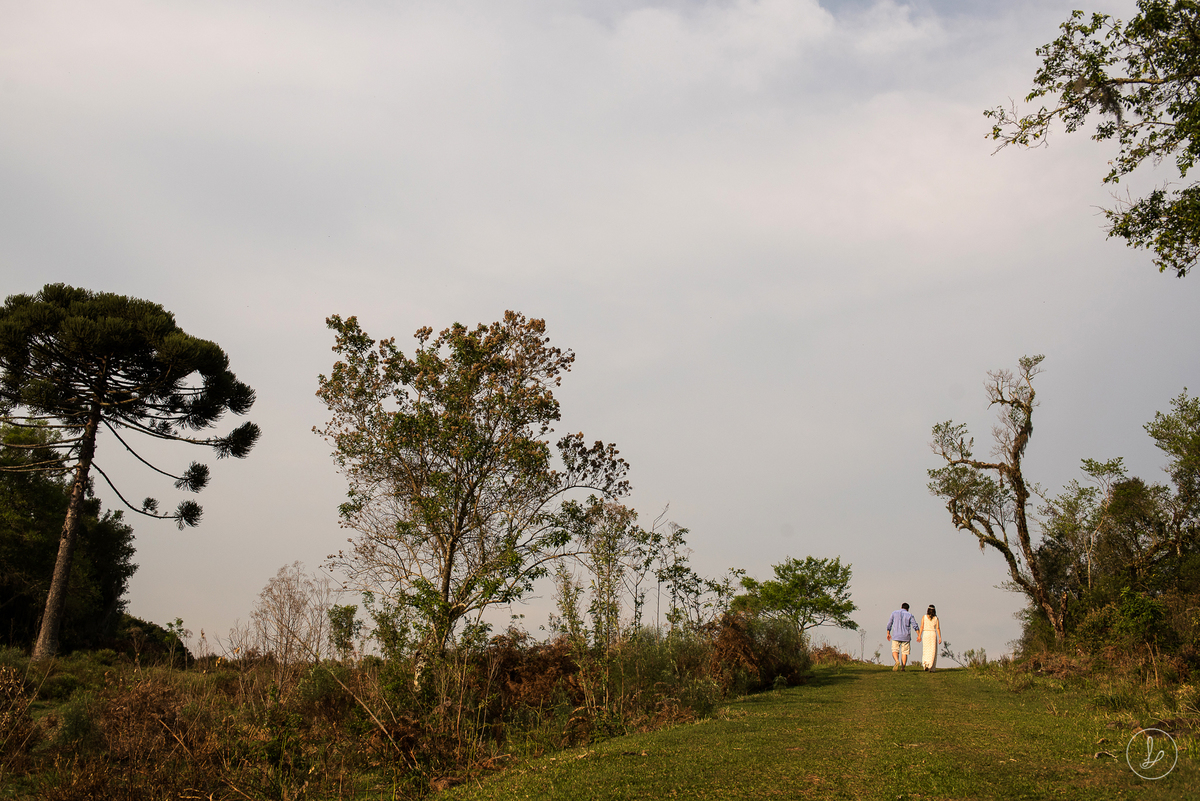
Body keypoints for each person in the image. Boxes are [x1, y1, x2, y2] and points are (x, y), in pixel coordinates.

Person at [886, 603, 920, 671]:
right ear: (908, 609)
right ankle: (903, 667)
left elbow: (889, 623)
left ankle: (897, 661)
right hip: (906, 636)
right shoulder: (910, 615)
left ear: (901, 607)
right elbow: (915, 625)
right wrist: (919, 635)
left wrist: (888, 632)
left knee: (895, 650)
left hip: (896, 635)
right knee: (904, 652)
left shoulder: (894, 613)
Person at [921, 605, 942, 671]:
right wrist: (940, 637)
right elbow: (937, 628)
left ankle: (925, 663)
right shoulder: (936, 618)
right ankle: (931, 666)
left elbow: (922, 626)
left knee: (926, 649)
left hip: (926, 633)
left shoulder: (924, 617)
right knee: (932, 650)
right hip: (933, 634)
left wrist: (919, 635)